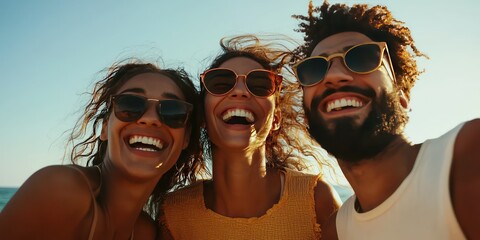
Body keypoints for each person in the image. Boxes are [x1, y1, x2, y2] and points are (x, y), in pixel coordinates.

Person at [291, 1, 480, 239]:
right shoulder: (335, 232)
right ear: (307, 113)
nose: (335, 76)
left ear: (402, 97)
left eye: (361, 58)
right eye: (315, 69)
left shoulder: (468, 157)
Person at [160, 36, 341, 239]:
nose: (240, 91)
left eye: (260, 84)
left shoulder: (315, 199)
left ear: (276, 119)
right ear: (203, 115)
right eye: (220, 83)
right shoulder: (174, 214)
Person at [0, 61, 204, 239]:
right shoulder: (61, 189)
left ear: (186, 138)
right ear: (105, 127)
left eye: (173, 111)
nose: (150, 118)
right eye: (129, 104)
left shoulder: (145, 232)